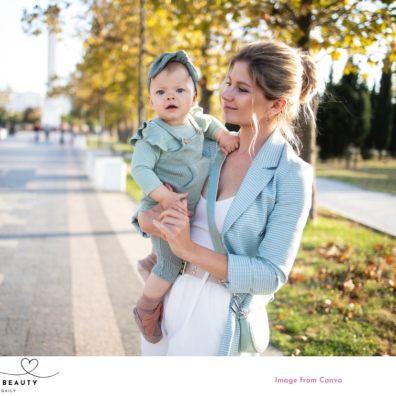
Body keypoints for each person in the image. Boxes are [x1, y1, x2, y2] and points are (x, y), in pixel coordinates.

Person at [134, 40, 317, 356]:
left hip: (218, 317)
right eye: (228, 82)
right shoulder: (204, 145)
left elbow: (270, 275)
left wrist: (188, 249)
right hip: (166, 302)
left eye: (242, 89)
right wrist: (149, 220)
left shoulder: (290, 174)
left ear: (276, 105)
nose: (226, 94)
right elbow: (147, 208)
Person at [130, 50, 240, 344]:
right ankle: (146, 307)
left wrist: (224, 137)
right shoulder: (153, 134)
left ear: (193, 98)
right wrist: (163, 197)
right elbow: (139, 169)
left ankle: (151, 260)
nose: (171, 97)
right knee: (171, 265)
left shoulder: (195, 121)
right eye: (161, 91)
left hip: (184, 207)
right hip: (162, 207)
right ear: (151, 100)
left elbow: (212, 125)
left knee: (169, 256)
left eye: (180, 90)